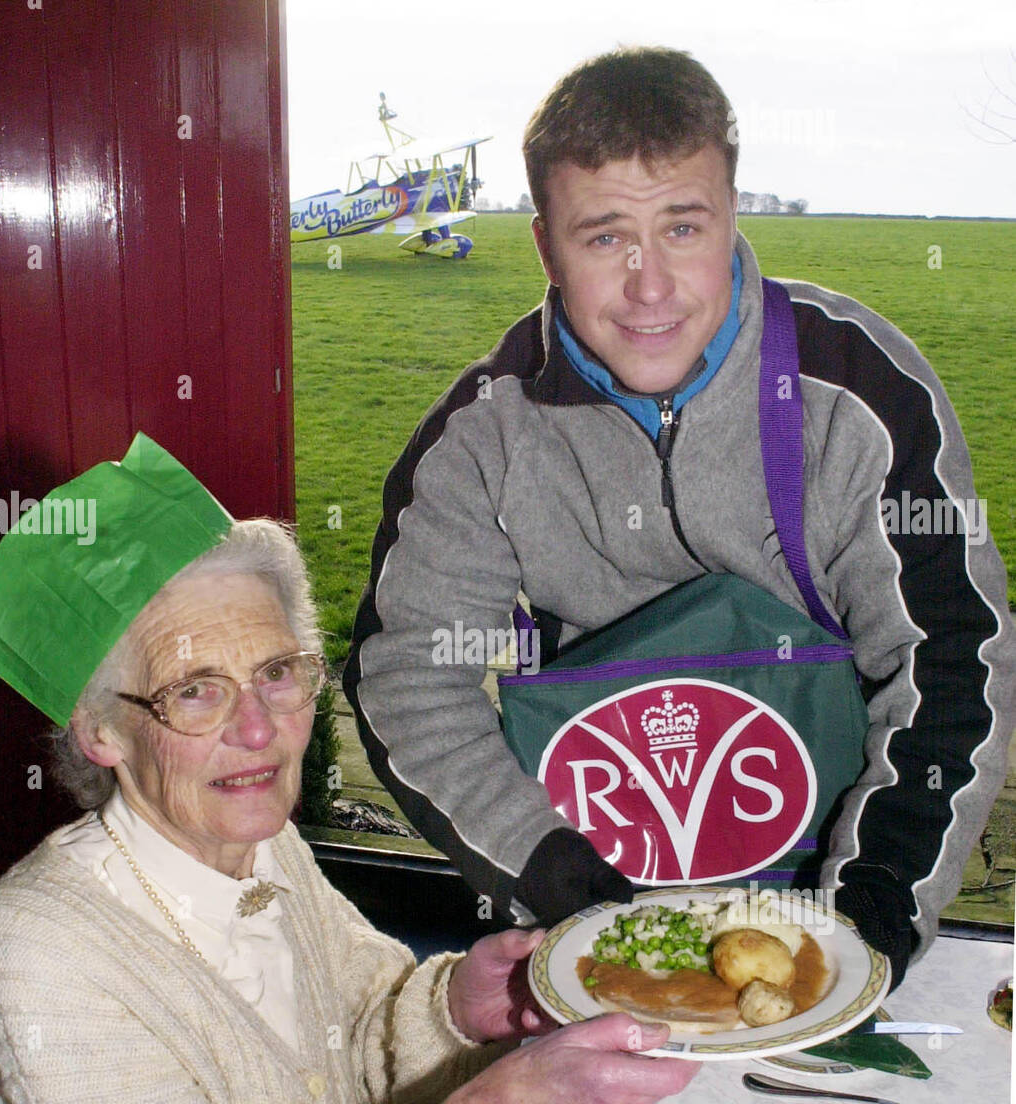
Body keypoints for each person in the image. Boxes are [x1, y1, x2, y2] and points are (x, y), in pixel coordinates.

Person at [0, 433, 696, 1104]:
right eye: (195, 689)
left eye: (276, 671)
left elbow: (358, 1030)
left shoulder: (260, 842)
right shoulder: (40, 958)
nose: (263, 730)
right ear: (99, 732)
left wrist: (460, 1007)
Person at [344, 47, 1016, 990]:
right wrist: (577, 902)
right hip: (590, 902)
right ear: (544, 245)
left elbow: (950, 656)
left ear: (733, 213)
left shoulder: (856, 391)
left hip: (841, 880)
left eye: (683, 227)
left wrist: (860, 928)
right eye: (604, 235)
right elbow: (409, 676)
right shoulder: (482, 437)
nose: (649, 285)